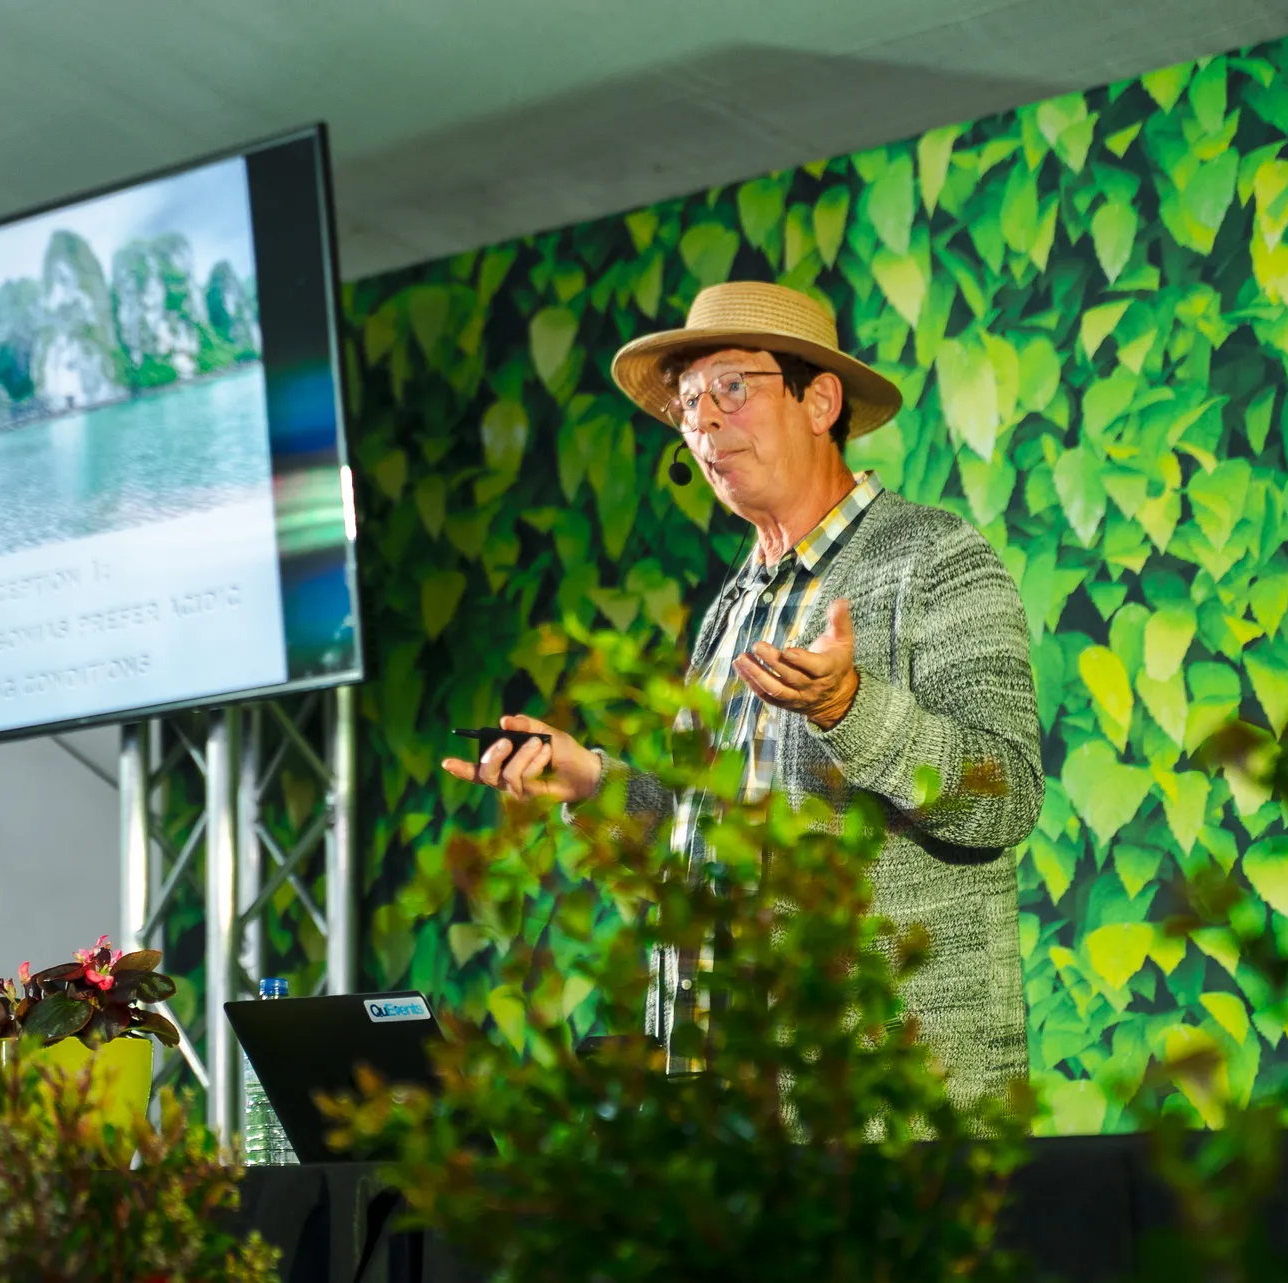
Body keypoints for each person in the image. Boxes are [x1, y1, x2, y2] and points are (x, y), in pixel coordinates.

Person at [441, 281, 1043, 1109]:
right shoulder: (733, 608)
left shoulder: (936, 560)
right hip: (721, 1108)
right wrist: (592, 783)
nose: (704, 424)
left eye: (733, 388)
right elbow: (705, 849)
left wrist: (850, 709)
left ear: (820, 400)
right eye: (688, 403)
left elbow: (1004, 794)